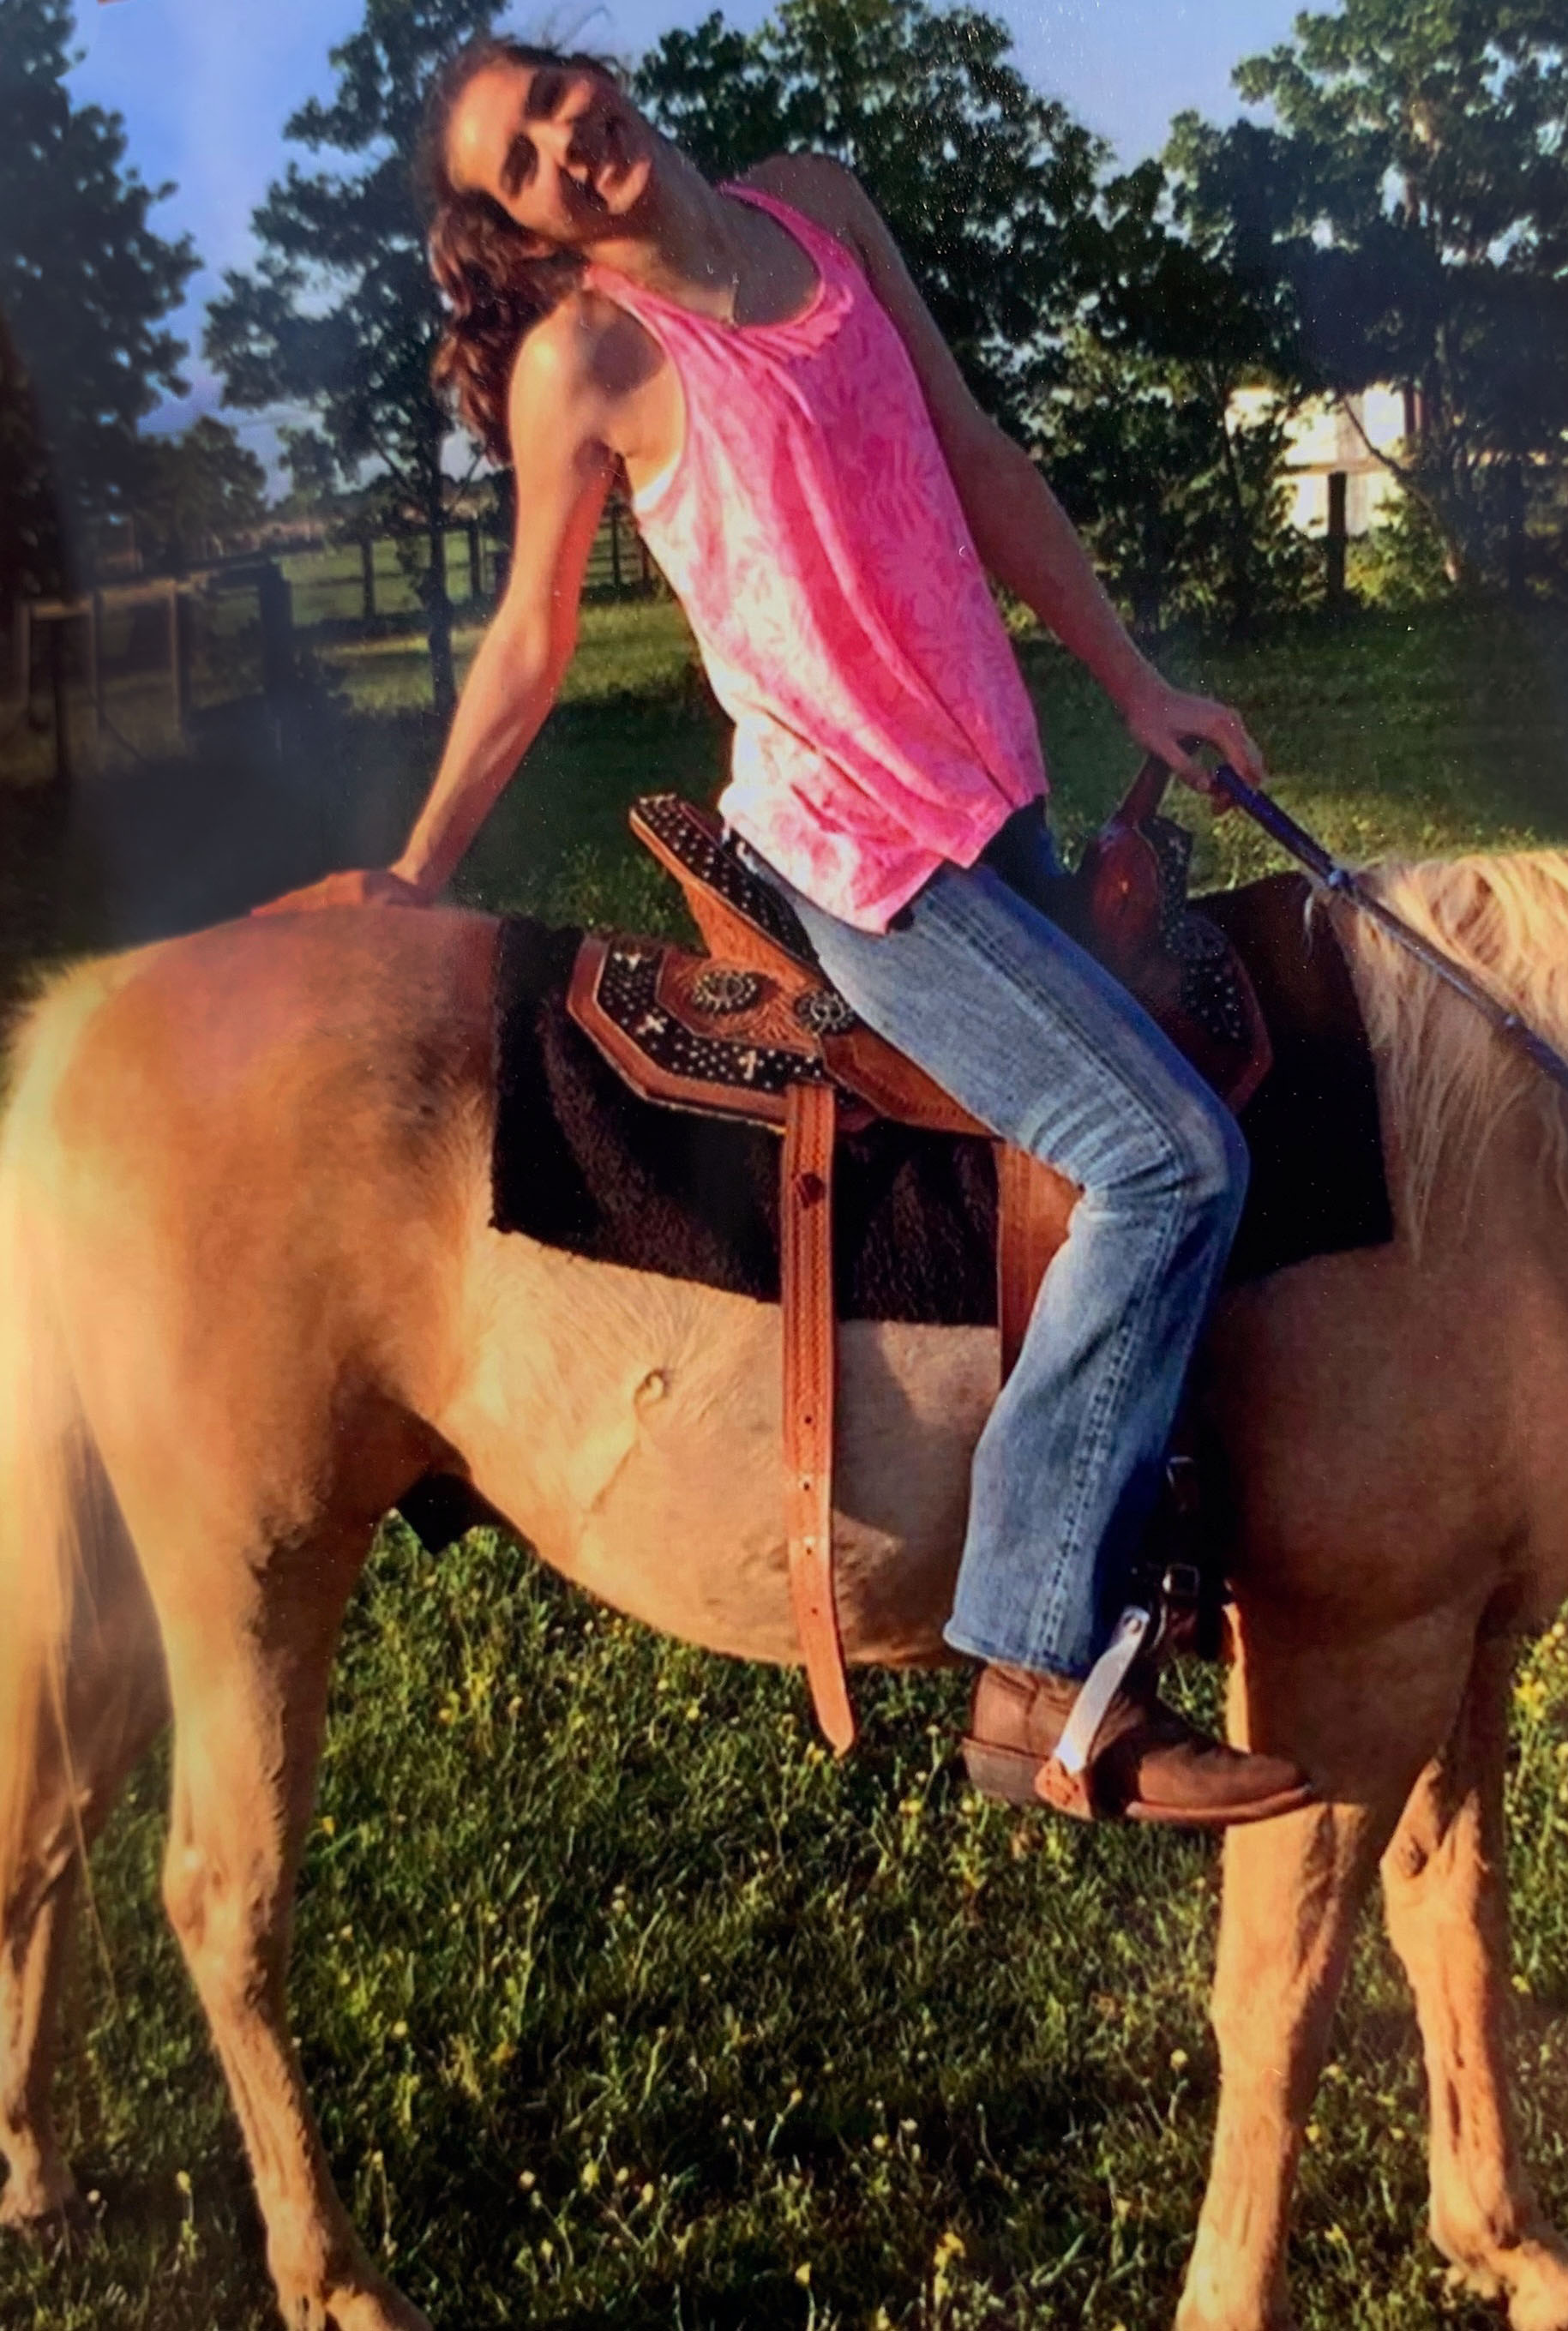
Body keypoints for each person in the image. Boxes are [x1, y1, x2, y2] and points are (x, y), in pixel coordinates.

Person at [281, 36, 1312, 1829]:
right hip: (867, 865)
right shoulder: (591, 359)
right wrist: (421, 867)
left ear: (599, 76)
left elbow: (978, 460)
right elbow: (529, 642)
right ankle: (1027, 1671)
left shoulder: (817, 206)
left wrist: (1134, 683)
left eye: (557, 98)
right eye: (521, 162)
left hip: (1001, 800)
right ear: (520, 224)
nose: (565, 143)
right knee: (1169, 1161)